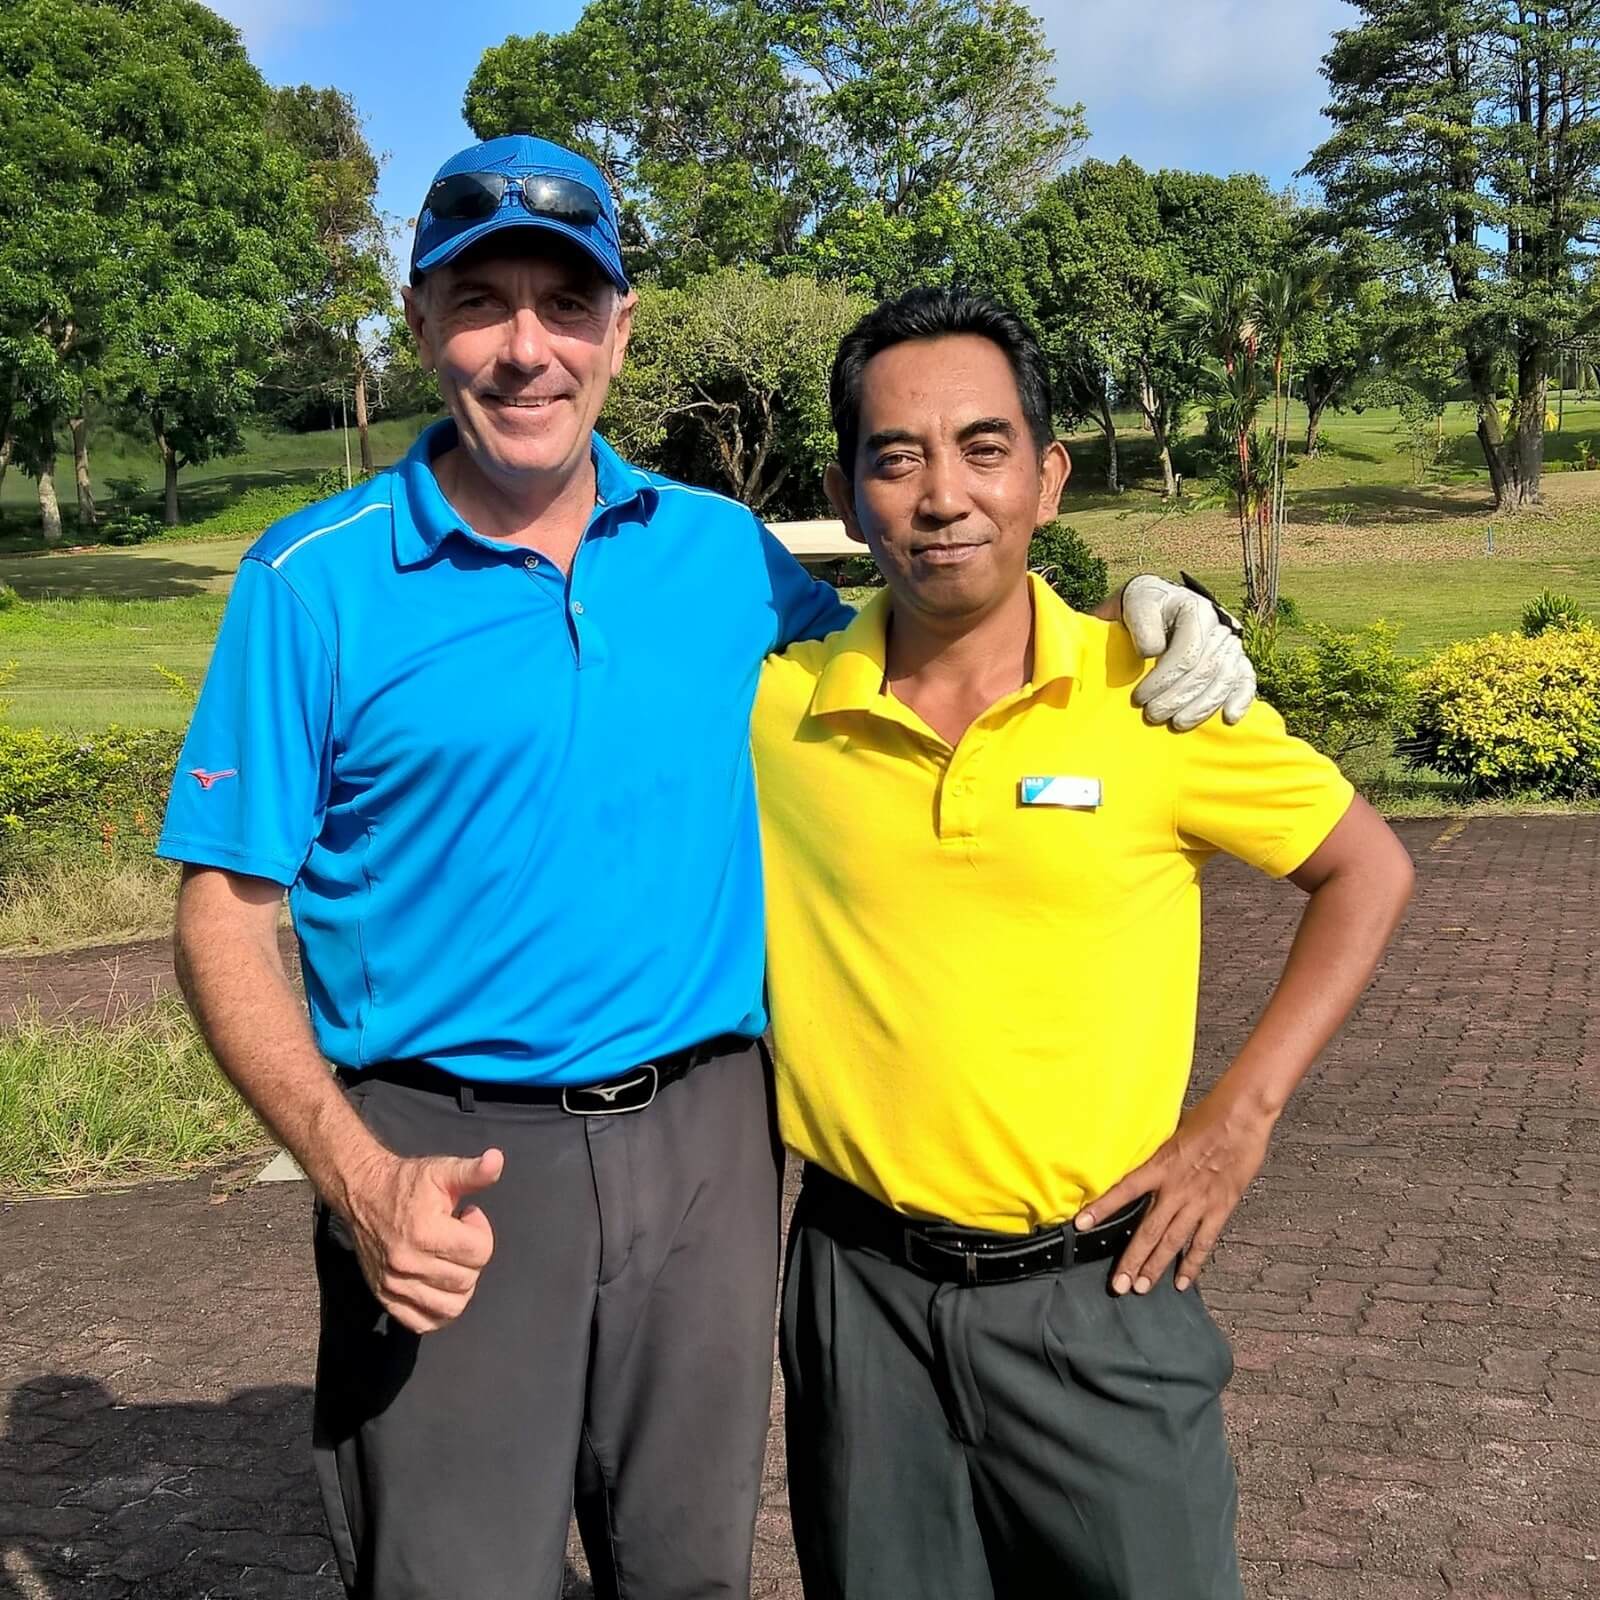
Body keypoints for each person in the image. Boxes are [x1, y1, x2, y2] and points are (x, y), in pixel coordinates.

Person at [159, 136, 1256, 1600]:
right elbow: (224, 915)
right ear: (419, 326)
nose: (527, 348)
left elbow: (935, 631)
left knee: (689, 1573)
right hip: (443, 1152)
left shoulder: (721, 553)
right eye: (480, 303)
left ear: (621, 329)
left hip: (713, 1152)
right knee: (455, 1576)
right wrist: (351, 1174)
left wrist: (1141, 609)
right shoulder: (314, 582)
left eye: (567, 303)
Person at [753, 287, 1416, 1600]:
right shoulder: (779, 710)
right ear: (846, 492)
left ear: (1048, 477)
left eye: (984, 448)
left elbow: (1367, 869)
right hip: (857, 1293)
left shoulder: (1153, 692)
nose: (944, 495)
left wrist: (1239, 1119)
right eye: (897, 457)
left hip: (1098, 1290)